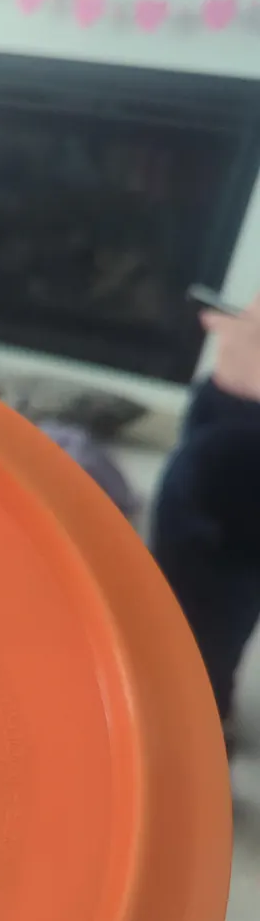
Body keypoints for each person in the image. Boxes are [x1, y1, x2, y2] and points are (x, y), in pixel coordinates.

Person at [153, 296, 260, 739]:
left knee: (196, 609)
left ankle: (190, 716)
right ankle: (199, 702)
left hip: (240, 434)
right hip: (230, 408)